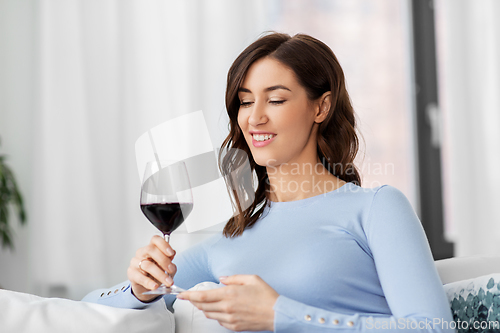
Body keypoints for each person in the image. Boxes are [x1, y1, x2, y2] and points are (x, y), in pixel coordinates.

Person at [83, 32, 455, 333]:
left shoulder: (376, 208)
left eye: (275, 100)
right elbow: (89, 308)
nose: (255, 118)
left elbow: (434, 328)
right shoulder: (227, 244)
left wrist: (282, 315)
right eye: (245, 103)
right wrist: (140, 289)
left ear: (320, 107)